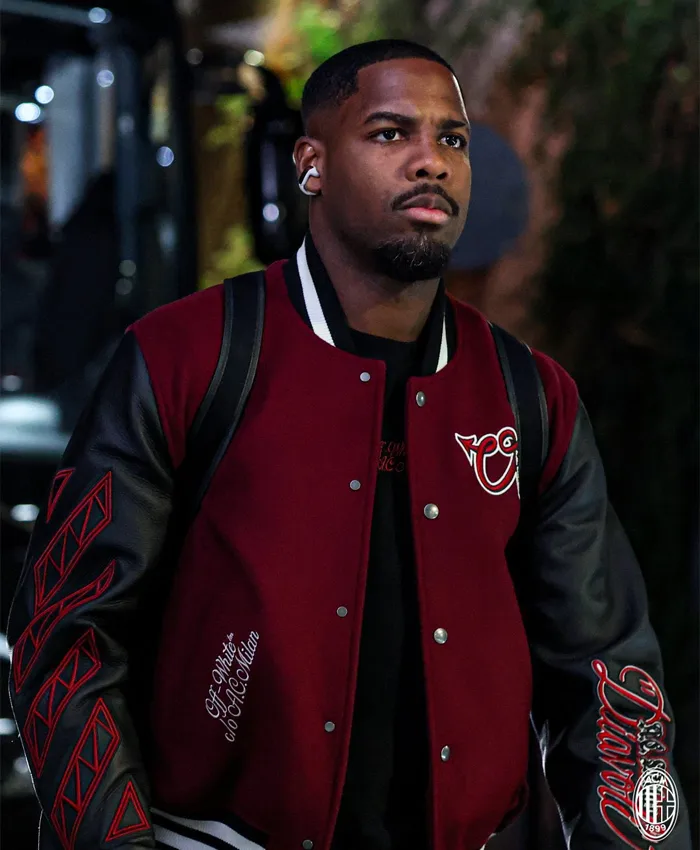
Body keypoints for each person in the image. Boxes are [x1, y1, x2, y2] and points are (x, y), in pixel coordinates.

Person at [7, 39, 691, 850]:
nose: (431, 161)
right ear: (312, 165)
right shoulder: (186, 357)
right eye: (390, 133)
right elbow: (67, 638)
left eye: (452, 138)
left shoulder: (532, 398)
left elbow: (610, 682)